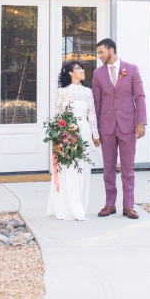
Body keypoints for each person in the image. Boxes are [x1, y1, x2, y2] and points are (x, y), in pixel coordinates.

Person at [91, 37, 147, 219]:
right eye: (98, 53)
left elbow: (139, 96)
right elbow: (96, 101)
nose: (99, 56)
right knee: (108, 167)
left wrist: (141, 122)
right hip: (106, 126)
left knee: (127, 167)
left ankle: (128, 206)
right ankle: (109, 204)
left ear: (111, 50)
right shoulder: (98, 74)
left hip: (127, 125)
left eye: (101, 52)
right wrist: (95, 130)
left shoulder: (131, 69)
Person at [45, 61, 100, 221]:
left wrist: (95, 135)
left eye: (82, 68)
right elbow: (56, 116)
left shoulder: (88, 92)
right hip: (67, 133)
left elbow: (92, 115)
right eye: (78, 68)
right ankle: (66, 206)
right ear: (70, 73)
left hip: (84, 131)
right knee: (68, 169)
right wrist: (59, 135)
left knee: (83, 169)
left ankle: (79, 205)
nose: (82, 70)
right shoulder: (62, 92)